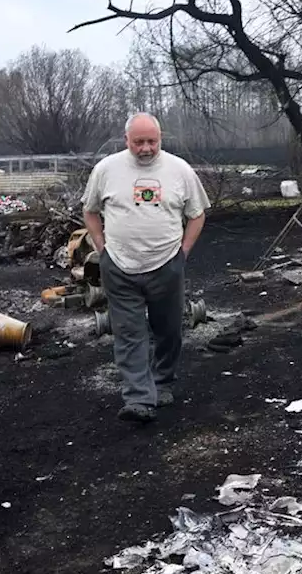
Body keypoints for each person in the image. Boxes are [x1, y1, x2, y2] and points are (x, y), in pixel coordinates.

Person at [82, 113, 211, 422]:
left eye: (151, 141)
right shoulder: (106, 170)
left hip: (166, 264)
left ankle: (163, 383)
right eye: (138, 142)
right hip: (119, 267)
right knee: (128, 333)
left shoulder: (179, 170)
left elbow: (197, 213)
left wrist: (183, 253)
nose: (145, 148)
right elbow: (90, 211)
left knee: (168, 331)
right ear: (126, 140)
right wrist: (103, 250)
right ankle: (138, 399)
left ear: (160, 139)